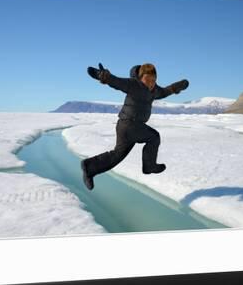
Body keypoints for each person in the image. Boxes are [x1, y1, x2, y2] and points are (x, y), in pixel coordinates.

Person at [81, 62, 189, 190]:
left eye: (153, 80)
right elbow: (117, 82)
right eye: (147, 80)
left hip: (128, 126)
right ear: (140, 77)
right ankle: (149, 166)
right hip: (130, 125)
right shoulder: (133, 84)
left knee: (117, 156)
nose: (150, 83)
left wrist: (176, 87)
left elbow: (164, 92)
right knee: (154, 137)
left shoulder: (154, 90)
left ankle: (89, 168)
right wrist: (104, 76)